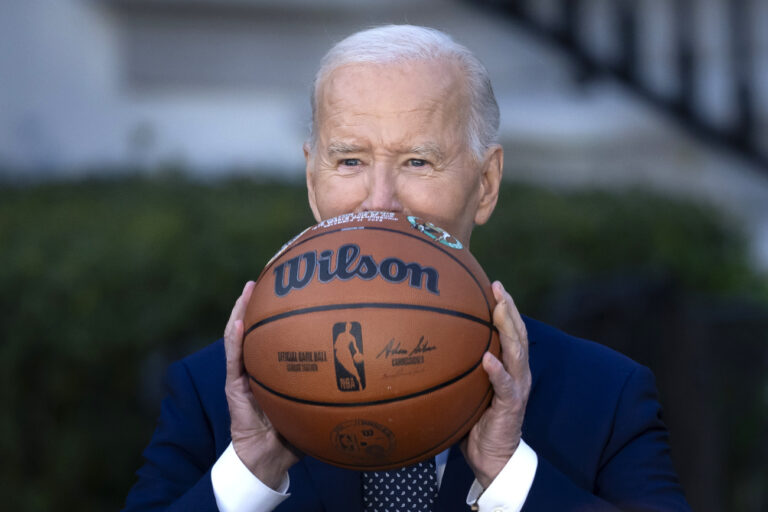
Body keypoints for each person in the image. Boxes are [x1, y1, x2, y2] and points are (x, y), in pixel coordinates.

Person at [123, 25, 690, 511]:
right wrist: (249, 474)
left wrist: (510, 475)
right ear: (312, 181)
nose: (380, 201)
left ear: (486, 185)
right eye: (349, 160)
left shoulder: (604, 395)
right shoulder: (213, 394)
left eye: (418, 161)